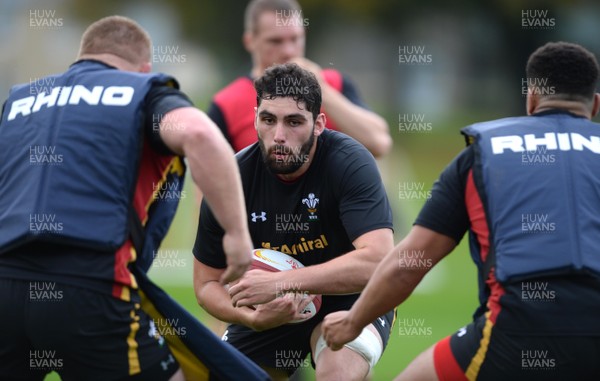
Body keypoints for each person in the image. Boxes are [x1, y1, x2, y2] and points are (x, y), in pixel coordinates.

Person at [0, 15, 270, 381]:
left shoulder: (20, 101)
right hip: (92, 287)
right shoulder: (142, 91)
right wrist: (237, 235)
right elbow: (201, 136)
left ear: (81, 59)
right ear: (144, 68)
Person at [322, 41, 600, 381]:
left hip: (519, 329)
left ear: (531, 100)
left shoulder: (484, 154)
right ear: (595, 105)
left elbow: (411, 263)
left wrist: (353, 322)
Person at [193, 62, 395, 380]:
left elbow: (378, 260)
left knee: (336, 373)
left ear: (319, 124)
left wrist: (280, 282)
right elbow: (206, 283)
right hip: (273, 306)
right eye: (268, 119)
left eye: (295, 121)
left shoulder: (350, 163)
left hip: (353, 297)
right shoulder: (231, 179)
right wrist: (251, 318)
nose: (279, 136)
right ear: (256, 117)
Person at [208, 0, 391, 157]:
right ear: (250, 41)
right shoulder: (227, 104)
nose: (288, 50)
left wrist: (322, 91)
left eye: (295, 39)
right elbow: (209, 183)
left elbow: (379, 144)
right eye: (276, 41)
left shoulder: (335, 83)